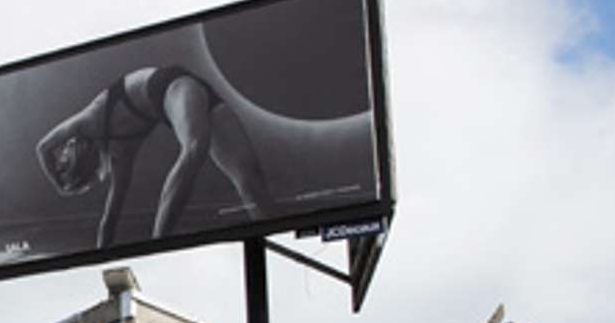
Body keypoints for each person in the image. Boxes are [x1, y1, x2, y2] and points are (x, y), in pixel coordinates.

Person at [33, 65, 372, 251]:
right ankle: (269, 231)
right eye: (64, 162)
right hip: (183, 101)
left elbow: (42, 147)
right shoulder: (119, 154)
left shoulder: (89, 119)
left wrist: (59, 184)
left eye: (62, 157)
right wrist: (102, 265)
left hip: (174, 87)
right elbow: (110, 218)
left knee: (195, 148)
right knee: (249, 180)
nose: (61, 153)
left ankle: (159, 243)